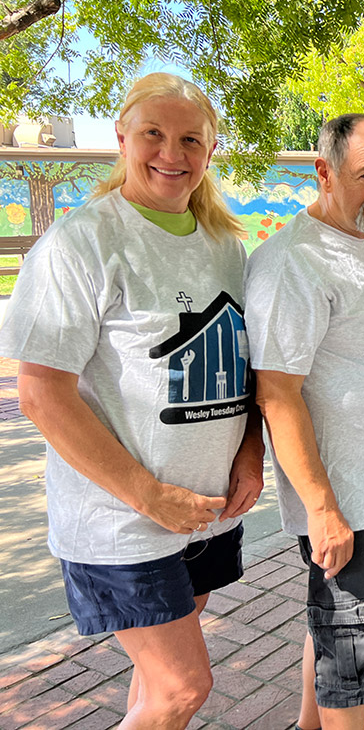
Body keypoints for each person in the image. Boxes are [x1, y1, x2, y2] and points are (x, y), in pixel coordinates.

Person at [0, 73, 265, 728]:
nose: (170, 152)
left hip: (205, 514)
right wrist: (149, 494)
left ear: (210, 151)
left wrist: (252, 453)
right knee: (183, 687)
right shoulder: (82, 242)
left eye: (189, 139)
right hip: (122, 523)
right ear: (122, 137)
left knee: (154, 687)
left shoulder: (228, 248)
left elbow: (249, 371)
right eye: (153, 134)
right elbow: (40, 392)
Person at [244, 113, 364, 730]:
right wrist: (321, 507)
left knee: (342, 633)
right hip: (345, 497)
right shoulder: (294, 261)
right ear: (323, 171)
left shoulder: (360, 243)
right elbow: (276, 394)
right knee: (355, 657)